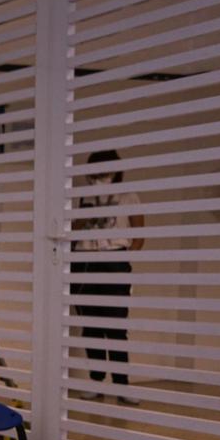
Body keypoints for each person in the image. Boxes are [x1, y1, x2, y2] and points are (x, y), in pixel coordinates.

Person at [71, 149, 144, 405]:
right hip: (85, 262)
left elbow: (139, 233)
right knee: (91, 325)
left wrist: (124, 258)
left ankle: (122, 384)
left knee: (115, 327)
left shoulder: (128, 194)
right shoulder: (82, 195)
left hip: (113, 260)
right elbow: (71, 229)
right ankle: (96, 380)